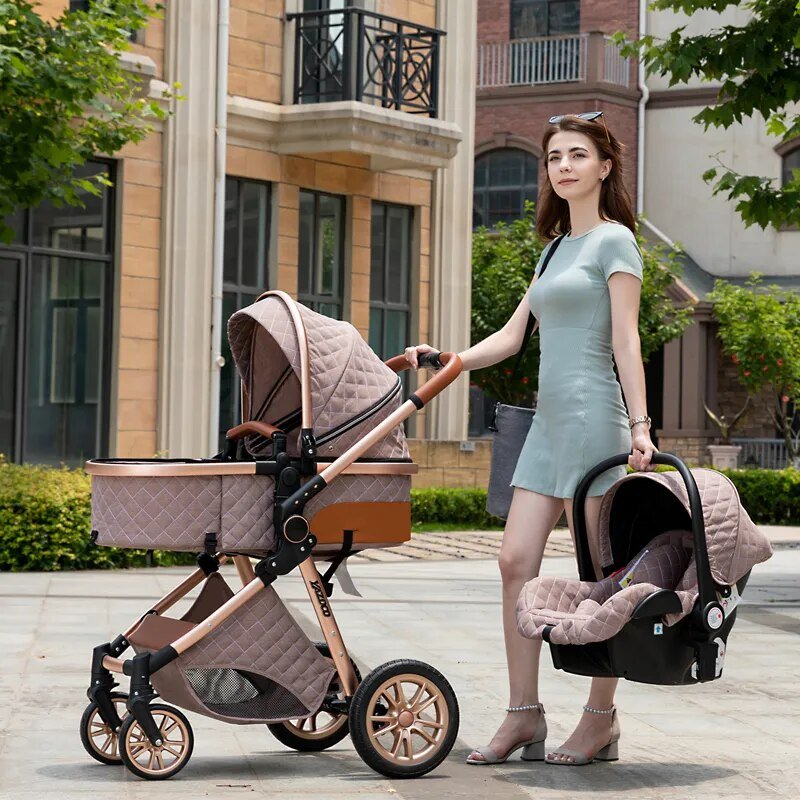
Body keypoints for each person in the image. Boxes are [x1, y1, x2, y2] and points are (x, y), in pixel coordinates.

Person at [404, 112, 658, 767]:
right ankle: (524, 714)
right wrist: (452, 359)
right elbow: (515, 336)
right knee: (515, 561)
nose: (564, 166)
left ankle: (600, 718)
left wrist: (640, 425)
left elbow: (627, 340)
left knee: (599, 578)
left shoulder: (615, 243)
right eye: (553, 158)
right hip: (548, 423)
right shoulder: (551, 251)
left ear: (604, 167)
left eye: (578, 155)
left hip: (597, 419)